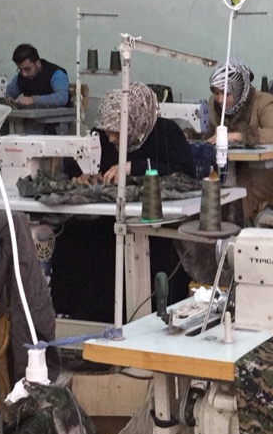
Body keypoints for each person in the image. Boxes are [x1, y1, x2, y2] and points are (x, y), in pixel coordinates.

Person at [51, 83, 196, 322]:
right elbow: (76, 158)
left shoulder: (166, 133)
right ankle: (80, 314)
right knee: (70, 232)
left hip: (153, 219)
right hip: (107, 217)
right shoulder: (105, 133)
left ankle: (138, 313)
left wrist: (132, 167)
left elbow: (185, 173)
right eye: (107, 131)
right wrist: (81, 173)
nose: (110, 138)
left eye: (116, 132)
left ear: (134, 122)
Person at [205, 60, 273, 221]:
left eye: (226, 93)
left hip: (271, 170)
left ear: (239, 90)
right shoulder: (214, 105)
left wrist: (238, 136)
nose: (220, 99)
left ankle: (232, 233)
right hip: (230, 169)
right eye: (216, 93)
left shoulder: (263, 101)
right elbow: (209, 135)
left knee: (241, 189)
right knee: (207, 186)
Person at [5, 43, 69, 108]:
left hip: (58, 116)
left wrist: (33, 100)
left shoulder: (57, 74)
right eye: (20, 69)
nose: (24, 74)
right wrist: (9, 98)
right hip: (33, 116)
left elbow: (62, 98)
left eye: (27, 69)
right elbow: (10, 92)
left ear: (38, 63)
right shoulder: (21, 76)